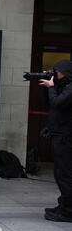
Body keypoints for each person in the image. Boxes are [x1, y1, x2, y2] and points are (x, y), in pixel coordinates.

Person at [39, 60, 72, 222]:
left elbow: (57, 103)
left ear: (65, 72)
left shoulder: (70, 88)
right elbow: (49, 105)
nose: (55, 75)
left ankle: (68, 211)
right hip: (59, 133)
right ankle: (64, 205)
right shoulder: (63, 86)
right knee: (60, 173)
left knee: (64, 174)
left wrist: (51, 87)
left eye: (57, 72)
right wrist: (47, 88)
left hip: (65, 137)